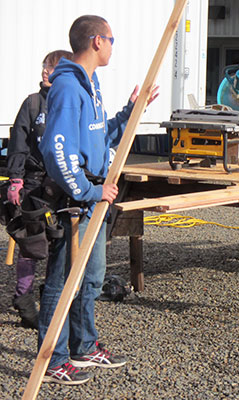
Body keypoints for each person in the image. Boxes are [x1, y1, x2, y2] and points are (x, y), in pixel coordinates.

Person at [37, 15, 158, 385]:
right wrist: (89, 191)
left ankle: (83, 345)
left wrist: (129, 112)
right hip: (76, 201)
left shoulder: (91, 85)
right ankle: (53, 357)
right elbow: (56, 149)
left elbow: (98, 137)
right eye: (111, 38)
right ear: (95, 42)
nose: (112, 45)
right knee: (61, 281)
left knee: (91, 279)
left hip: (95, 198)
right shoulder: (68, 89)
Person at [7, 50, 73, 329]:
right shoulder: (33, 104)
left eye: (53, 67)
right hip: (34, 184)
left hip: (63, 186)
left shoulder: (70, 103)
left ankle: (51, 297)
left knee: (60, 244)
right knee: (31, 245)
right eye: (45, 65)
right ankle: (23, 300)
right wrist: (15, 180)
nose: (46, 71)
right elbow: (18, 142)